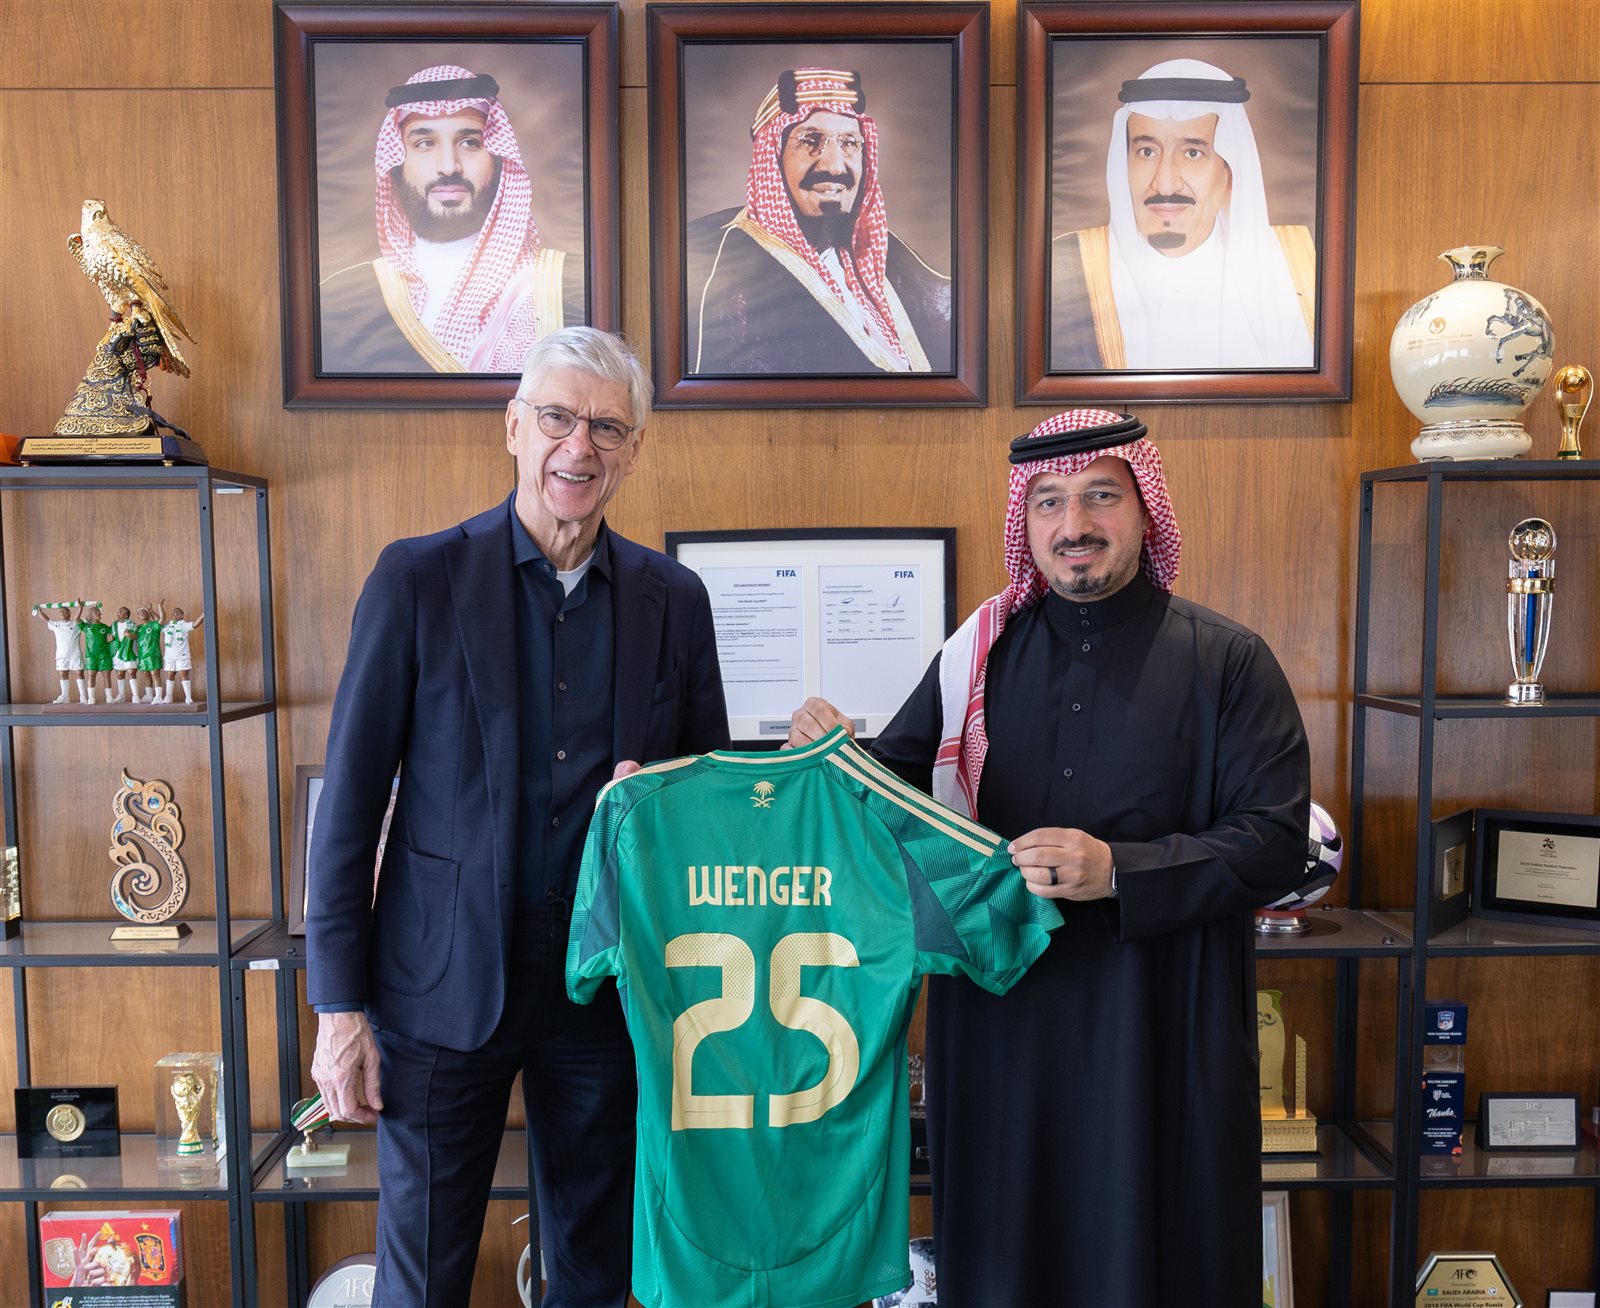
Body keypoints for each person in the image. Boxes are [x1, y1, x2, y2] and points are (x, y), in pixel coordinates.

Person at [788, 408, 1310, 1305]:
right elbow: (893, 799)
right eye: (1050, 502)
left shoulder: (1228, 661)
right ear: (1024, 524)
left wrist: (1120, 871)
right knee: (1006, 1259)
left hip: (1157, 1029)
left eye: (1101, 496)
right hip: (1001, 1033)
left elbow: (1274, 843)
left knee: (1158, 1257)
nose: (1075, 524)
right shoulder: (975, 658)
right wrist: (835, 755)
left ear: (1145, 511)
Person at [306, 325, 730, 1307]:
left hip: (605, 990)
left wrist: (664, 803)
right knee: (421, 1277)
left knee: (595, 1271)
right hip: (439, 984)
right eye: (557, 418)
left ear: (633, 450)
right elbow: (351, 807)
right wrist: (338, 1010)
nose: (579, 446)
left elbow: (701, 806)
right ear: (512, 427)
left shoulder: (675, 600)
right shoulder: (417, 580)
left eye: (607, 428)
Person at [1051, 58, 1315, 372]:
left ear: (1229, 170)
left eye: (1192, 153)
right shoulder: (1067, 272)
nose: (1165, 183)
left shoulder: (1294, 269)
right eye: (1147, 151)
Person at [319, 63, 582, 376]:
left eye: (470, 143)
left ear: (499, 159)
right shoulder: (343, 302)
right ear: (397, 165)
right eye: (424, 143)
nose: (448, 166)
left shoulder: (565, 289)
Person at [688, 68, 951, 375]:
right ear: (773, 157)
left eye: (849, 142)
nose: (834, 166)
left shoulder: (894, 256)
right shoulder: (717, 263)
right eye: (810, 140)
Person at [35, 601, 85, 704]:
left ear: (69, 614)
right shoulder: (55, 624)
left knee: (79, 673)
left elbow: (86, 618)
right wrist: (39, 609)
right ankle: (65, 696)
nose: (62, 613)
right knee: (63, 673)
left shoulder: (76, 624)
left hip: (75, 654)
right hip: (61, 655)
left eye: (64, 611)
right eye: (60, 612)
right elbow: (45, 618)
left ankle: (83, 697)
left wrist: (81, 607)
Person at [159, 606, 204, 704]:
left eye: (177, 613)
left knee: (184, 674)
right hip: (169, 656)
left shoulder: (185, 625)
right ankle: (168, 696)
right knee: (170, 674)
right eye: (173, 613)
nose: (174, 615)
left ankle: (188, 697)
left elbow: (195, 624)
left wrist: (204, 614)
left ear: (182, 616)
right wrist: (156, 608)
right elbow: (158, 622)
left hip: (182, 654)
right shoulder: (167, 626)